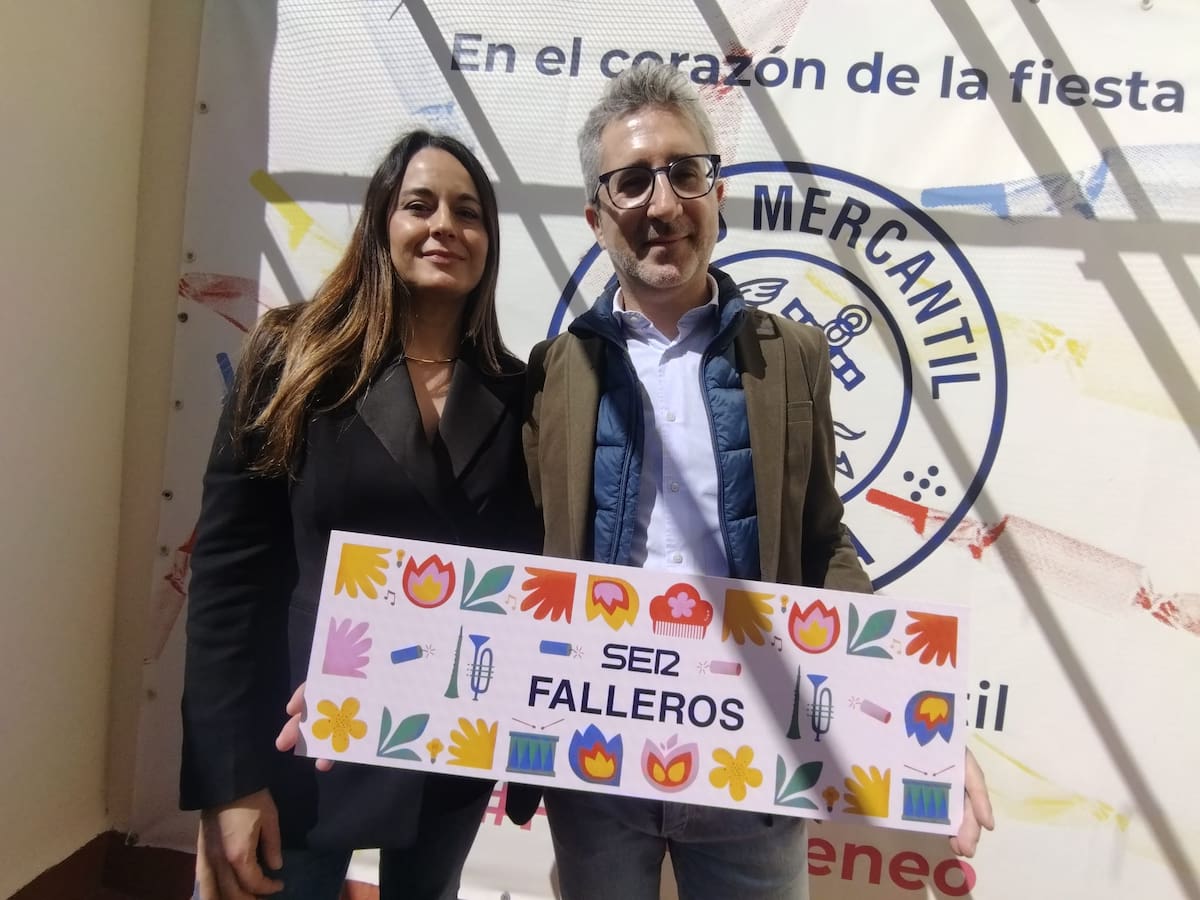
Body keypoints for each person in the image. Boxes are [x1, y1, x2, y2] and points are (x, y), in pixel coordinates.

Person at [521, 63, 994, 899]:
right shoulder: (554, 371)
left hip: (755, 766)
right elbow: (512, 556)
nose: (663, 204)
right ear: (597, 217)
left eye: (685, 172)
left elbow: (821, 542)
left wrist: (915, 714)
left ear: (717, 192)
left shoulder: (793, 357)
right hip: (593, 769)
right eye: (632, 182)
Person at [180, 130, 542, 900]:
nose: (444, 225)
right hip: (298, 745)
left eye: (468, 212)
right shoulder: (292, 358)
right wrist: (230, 781)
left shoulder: (519, 394)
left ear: (489, 242)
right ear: (382, 222)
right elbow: (227, 582)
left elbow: (523, 585)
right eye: (420, 205)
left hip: (447, 754)